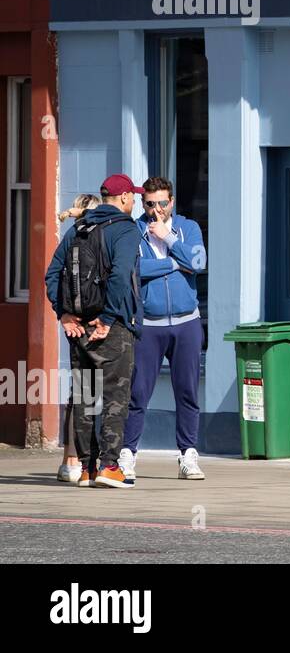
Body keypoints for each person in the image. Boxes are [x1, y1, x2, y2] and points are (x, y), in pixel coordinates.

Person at [44, 175, 143, 489]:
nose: (135, 202)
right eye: (134, 197)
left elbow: (52, 272)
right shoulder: (125, 229)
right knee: (116, 395)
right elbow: (120, 275)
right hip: (110, 327)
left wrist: (63, 314)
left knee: (85, 396)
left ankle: (86, 468)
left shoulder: (79, 228)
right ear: (125, 197)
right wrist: (109, 317)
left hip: (77, 326)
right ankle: (110, 467)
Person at [121, 176, 208, 483]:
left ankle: (188, 455)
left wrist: (169, 239)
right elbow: (133, 271)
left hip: (186, 323)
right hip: (150, 324)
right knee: (138, 392)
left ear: (171, 202)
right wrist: (173, 264)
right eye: (149, 204)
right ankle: (128, 456)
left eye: (161, 203)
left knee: (187, 392)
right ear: (142, 204)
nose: (155, 209)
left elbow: (198, 262)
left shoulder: (188, 228)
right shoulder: (133, 231)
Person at [52, 194, 103, 483]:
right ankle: (73, 457)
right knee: (84, 391)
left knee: (88, 391)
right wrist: (64, 314)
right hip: (81, 326)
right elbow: (53, 274)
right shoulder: (74, 236)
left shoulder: (100, 236)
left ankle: (80, 458)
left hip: (95, 323)